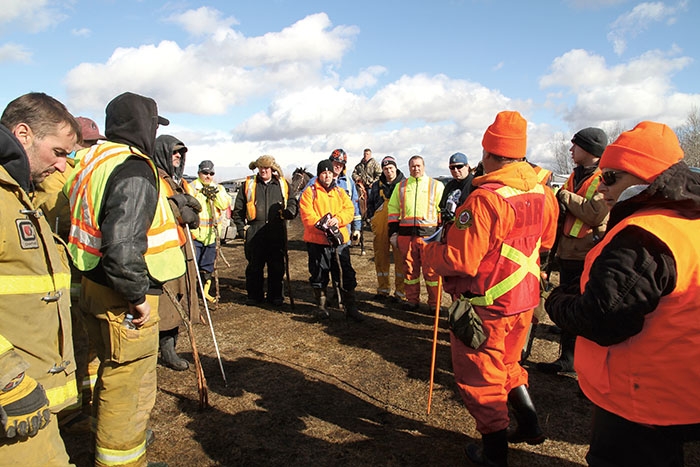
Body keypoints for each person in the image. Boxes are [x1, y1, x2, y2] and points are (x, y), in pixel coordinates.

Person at [545, 121, 700, 467]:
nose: (601, 189)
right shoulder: (687, 220)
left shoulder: (644, 236)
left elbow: (602, 319)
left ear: (644, 177)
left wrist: (556, 302)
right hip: (680, 389)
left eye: (611, 177)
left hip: (640, 398)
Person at [424, 111, 557, 467]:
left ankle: (494, 454)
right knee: (509, 363)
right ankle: (529, 424)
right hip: (525, 301)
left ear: (489, 151)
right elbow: (546, 243)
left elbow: (460, 260)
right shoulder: (544, 192)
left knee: (482, 378)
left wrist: (429, 252)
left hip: (487, 307)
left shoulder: (485, 200)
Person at [65, 91, 185, 467]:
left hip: (92, 287)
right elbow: (121, 244)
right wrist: (137, 298)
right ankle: (123, 460)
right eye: (153, 123)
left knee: (106, 374)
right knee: (127, 388)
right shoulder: (134, 168)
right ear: (141, 126)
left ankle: (109, 439)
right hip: (124, 301)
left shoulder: (91, 161)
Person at [0, 92, 79, 465]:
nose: (64, 166)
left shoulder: (19, 195)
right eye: (59, 152)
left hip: (32, 398)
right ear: (23, 133)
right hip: (12, 401)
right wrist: (8, 381)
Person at [537, 127, 609, 375]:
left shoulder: (603, 179)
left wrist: (565, 197)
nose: (570, 150)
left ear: (589, 150)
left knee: (581, 306)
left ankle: (571, 361)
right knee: (568, 302)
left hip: (586, 254)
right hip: (568, 251)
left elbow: (594, 213)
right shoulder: (574, 176)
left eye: (575, 146)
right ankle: (567, 356)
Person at [153, 134, 203, 371]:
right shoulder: (155, 180)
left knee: (182, 295)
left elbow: (192, 213)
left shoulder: (181, 181)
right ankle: (166, 348)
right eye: (173, 151)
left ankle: (172, 341)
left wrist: (192, 213)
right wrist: (176, 206)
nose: (177, 156)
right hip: (164, 249)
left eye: (180, 153)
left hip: (183, 246)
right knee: (167, 300)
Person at [299, 159, 364, 322]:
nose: (327, 175)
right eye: (324, 173)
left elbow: (349, 209)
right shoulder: (310, 192)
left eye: (329, 172)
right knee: (318, 274)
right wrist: (323, 225)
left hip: (339, 242)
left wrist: (338, 219)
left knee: (345, 273)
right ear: (319, 174)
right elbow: (307, 215)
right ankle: (321, 307)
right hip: (317, 241)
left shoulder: (340, 192)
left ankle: (350, 308)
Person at [232, 155, 298, 306]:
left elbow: (293, 202)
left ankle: (276, 296)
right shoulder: (248, 185)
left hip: (276, 230)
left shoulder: (282, 184)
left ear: (272, 169)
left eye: (266, 168)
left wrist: (290, 212)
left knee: (276, 265)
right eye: (261, 167)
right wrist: (243, 230)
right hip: (255, 231)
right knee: (254, 266)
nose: (263, 171)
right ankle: (254, 296)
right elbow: (238, 210)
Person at [387, 155, 444, 311]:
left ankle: (435, 304)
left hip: (429, 236)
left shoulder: (436, 186)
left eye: (418, 165)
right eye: (412, 166)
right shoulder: (401, 187)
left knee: (431, 272)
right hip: (406, 236)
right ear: (408, 167)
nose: (416, 168)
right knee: (409, 270)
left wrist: (442, 234)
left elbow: (443, 212)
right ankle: (412, 300)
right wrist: (393, 233)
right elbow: (393, 210)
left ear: (424, 166)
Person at [366, 155, 406, 301]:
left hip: (399, 226)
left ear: (395, 168)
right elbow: (370, 203)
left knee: (400, 259)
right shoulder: (377, 185)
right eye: (385, 168)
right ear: (382, 170)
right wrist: (371, 218)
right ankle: (383, 289)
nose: (388, 171)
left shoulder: (404, 184)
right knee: (381, 257)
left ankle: (401, 292)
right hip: (381, 227)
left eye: (391, 168)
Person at [190, 160, 231, 303]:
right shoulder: (192, 188)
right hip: (195, 236)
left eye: (211, 173)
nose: (208, 176)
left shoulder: (218, 188)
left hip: (212, 236)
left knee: (207, 266)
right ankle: (192, 293)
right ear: (199, 173)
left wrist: (215, 195)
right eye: (205, 173)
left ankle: (205, 292)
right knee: (192, 266)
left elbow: (224, 204)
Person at [438, 152, 475, 224]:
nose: (455, 170)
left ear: (467, 166)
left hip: (467, 228)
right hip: (450, 228)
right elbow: (442, 206)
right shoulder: (450, 185)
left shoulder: (475, 184)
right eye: (452, 167)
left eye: (459, 166)